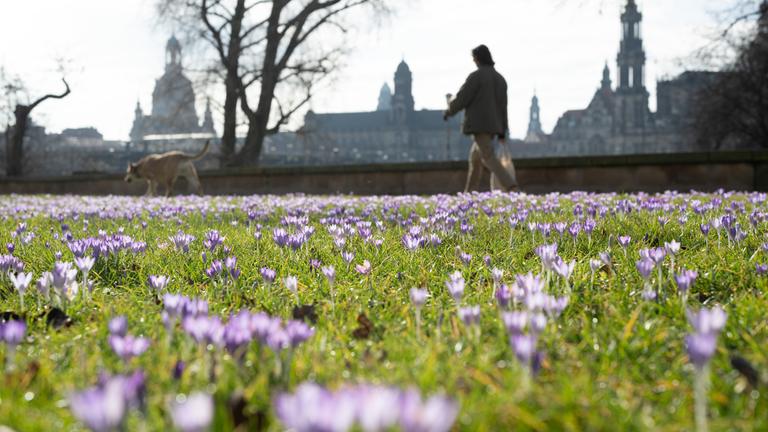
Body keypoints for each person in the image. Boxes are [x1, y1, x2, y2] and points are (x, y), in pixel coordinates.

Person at [444, 44, 518, 192]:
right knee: (475, 159)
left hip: (479, 126)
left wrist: (449, 111)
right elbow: (503, 107)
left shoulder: (476, 77)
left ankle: (511, 186)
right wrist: (503, 131)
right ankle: (469, 194)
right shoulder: (500, 79)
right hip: (494, 127)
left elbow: (462, 98)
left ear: (477, 59)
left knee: (489, 157)